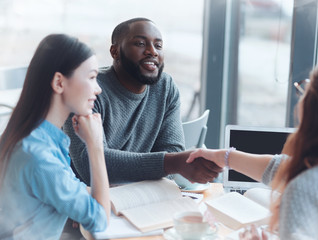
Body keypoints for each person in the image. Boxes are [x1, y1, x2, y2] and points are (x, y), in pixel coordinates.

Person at [187, 55, 318, 239]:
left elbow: (300, 180)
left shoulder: (304, 190)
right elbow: (283, 168)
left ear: (314, 109)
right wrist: (222, 156)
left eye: (306, 89)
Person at [63, 17, 221, 185]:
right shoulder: (89, 91)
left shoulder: (165, 87)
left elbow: (173, 151)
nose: (152, 51)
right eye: (140, 44)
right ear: (115, 52)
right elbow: (91, 166)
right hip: (87, 199)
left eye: (158, 45)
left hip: (140, 196)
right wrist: (168, 163)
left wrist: (168, 163)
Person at [0, 34, 110, 239]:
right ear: (59, 82)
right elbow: (100, 219)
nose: (98, 89)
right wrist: (95, 146)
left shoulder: (31, 137)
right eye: (92, 77)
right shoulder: (40, 157)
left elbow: (63, 185)